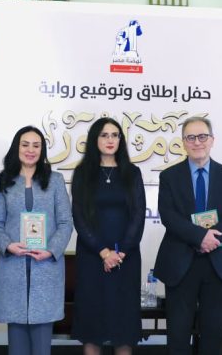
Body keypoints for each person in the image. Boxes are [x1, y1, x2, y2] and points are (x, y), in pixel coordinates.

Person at [153, 116, 222, 355]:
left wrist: (213, 239)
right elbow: (168, 215)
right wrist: (199, 237)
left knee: (214, 335)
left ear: (212, 140)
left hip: (218, 263)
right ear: (183, 142)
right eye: (191, 137)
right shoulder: (169, 176)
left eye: (202, 136)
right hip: (181, 263)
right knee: (178, 335)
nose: (197, 142)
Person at [0, 125, 74, 355]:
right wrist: (8, 245)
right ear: (16, 148)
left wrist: (51, 250)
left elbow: (66, 222)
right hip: (13, 266)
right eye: (25, 145)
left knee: (41, 345)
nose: (30, 150)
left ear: (42, 150)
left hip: (45, 266)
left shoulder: (55, 181)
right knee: (17, 344)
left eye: (36, 146)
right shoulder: (3, 181)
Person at [71, 117, 146, 355]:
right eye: (104, 135)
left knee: (123, 324)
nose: (110, 140)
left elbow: (138, 216)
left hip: (126, 258)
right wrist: (104, 252)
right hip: (92, 257)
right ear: (95, 139)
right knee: (92, 323)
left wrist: (120, 252)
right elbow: (79, 217)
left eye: (115, 135)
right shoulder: (83, 173)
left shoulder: (132, 173)